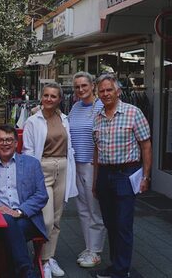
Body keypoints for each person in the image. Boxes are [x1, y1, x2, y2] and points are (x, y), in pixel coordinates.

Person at [92, 73, 152, 278]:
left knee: (124, 223)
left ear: (118, 91)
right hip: (105, 174)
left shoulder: (133, 112)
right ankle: (116, 264)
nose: (106, 93)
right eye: (102, 91)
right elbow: (97, 150)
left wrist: (145, 177)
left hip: (126, 174)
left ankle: (122, 269)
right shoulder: (98, 116)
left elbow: (146, 145)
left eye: (109, 90)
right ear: (98, 94)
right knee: (110, 222)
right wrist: (95, 181)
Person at [22, 82, 77, 278]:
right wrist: (31, 176)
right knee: (46, 219)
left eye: (53, 96)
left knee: (57, 218)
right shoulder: (32, 120)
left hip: (62, 168)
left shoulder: (64, 119)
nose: (49, 99)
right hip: (42, 168)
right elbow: (27, 150)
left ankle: (49, 258)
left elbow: (69, 146)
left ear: (59, 99)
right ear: (41, 97)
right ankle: (42, 259)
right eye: (46, 95)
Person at [0, 124, 48, 278]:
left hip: (27, 219)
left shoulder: (32, 164)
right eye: (1, 140)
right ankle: (27, 272)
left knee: (11, 227)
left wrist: (19, 211)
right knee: (7, 222)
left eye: (9, 140)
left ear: (17, 143)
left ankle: (16, 272)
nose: (5, 143)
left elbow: (41, 195)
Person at [68, 72, 106, 268]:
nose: (81, 89)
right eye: (77, 86)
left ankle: (96, 251)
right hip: (76, 164)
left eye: (84, 85)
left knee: (94, 209)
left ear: (92, 86)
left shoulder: (100, 107)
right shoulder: (74, 107)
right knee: (82, 209)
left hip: (93, 165)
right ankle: (89, 246)